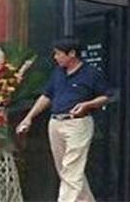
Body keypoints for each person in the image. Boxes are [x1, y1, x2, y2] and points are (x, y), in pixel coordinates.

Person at [16, 38, 110, 202]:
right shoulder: (58, 73)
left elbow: (106, 96)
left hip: (77, 124)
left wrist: (87, 105)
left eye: (58, 54)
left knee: (71, 169)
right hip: (55, 123)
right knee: (65, 170)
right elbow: (47, 96)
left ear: (72, 53)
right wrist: (28, 118)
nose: (55, 57)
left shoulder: (91, 73)